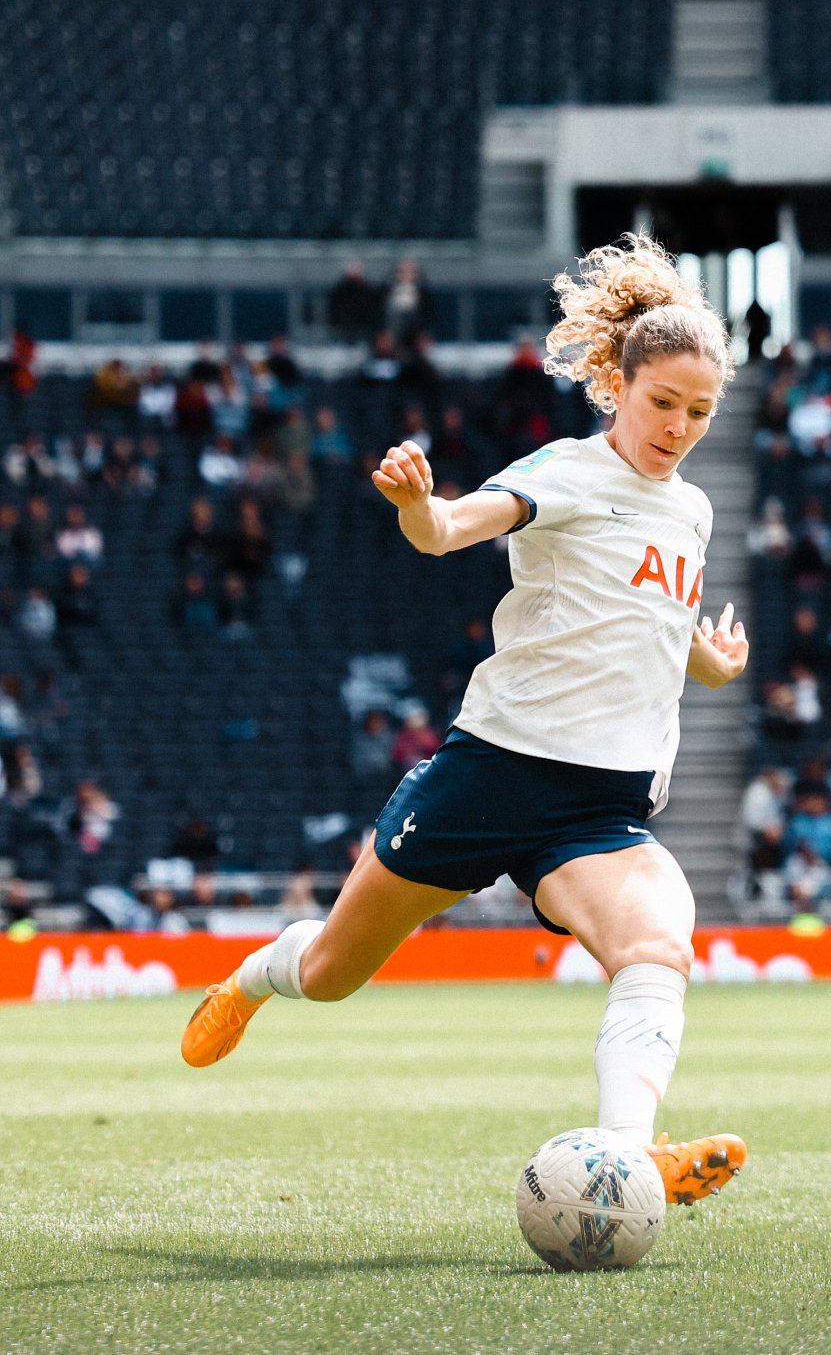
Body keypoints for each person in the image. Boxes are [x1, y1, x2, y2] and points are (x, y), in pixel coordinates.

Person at [179, 233, 751, 1211]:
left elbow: (651, 620)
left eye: (699, 412)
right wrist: (417, 503)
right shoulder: (568, 472)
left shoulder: (691, 511)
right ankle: (256, 975)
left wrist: (706, 658)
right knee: (332, 972)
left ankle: (626, 1155)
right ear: (615, 384)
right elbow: (449, 532)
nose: (679, 426)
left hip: (599, 806)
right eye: (663, 402)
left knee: (655, 949)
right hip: (490, 773)